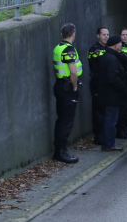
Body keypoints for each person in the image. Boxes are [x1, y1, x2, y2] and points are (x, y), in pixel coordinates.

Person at [52, 23, 82, 164]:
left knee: (61, 119)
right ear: (73, 34)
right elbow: (73, 72)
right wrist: (74, 87)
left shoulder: (58, 47)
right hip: (68, 88)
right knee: (67, 121)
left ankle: (59, 150)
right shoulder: (69, 49)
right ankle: (61, 152)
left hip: (59, 85)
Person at [96, 35, 127, 152]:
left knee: (108, 118)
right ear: (115, 45)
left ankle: (108, 143)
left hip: (105, 94)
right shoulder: (112, 59)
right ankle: (109, 144)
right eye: (120, 43)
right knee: (111, 119)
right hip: (112, 95)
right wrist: (123, 87)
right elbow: (113, 78)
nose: (121, 45)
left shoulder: (106, 57)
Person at [88, 27, 109, 145]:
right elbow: (104, 60)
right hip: (97, 83)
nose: (106, 37)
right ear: (98, 36)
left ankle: (104, 134)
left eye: (107, 34)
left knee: (106, 110)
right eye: (103, 34)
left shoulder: (106, 49)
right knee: (98, 111)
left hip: (105, 84)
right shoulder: (95, 49)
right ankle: (98, 135)